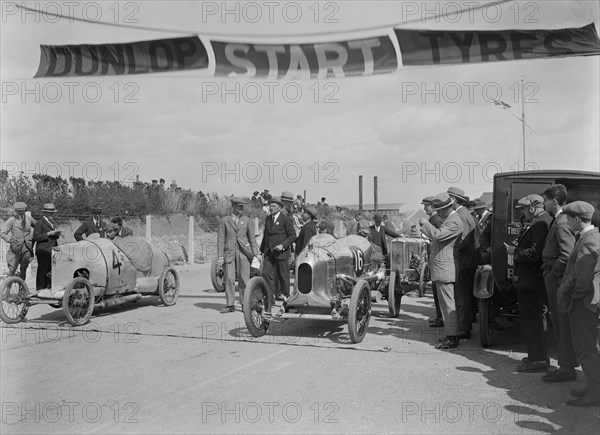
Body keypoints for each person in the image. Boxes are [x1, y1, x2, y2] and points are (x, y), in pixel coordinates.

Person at [557, 201, 599, 407]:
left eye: (568, 217)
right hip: (586, 301)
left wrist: (573, 294)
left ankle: (596, 392)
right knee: (586, 346)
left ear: (576, 219)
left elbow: (583, 277)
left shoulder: (588, 240)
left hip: (584, 303)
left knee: (585, 347)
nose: (565, 221)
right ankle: (592, 385)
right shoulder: (589, 237)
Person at [507, 194, 552, 372]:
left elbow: (535, 254)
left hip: (531, 281)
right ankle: (536, 356)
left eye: (524, 209)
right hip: (533, 280)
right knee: (534, 319)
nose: (523, 213)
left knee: (533, 320)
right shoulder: (541, 221)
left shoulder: (541, 223)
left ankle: (538, 360)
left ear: (533, 208)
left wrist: (514, 251)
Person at [541, 184, 577, 383]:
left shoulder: (562, 222)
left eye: (545, 200)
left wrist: (552, 273)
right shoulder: (561, 220)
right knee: (561, 323)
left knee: (562, 323)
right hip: (555, 278)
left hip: (557, 280)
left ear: (553, 201)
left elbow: (566, 255)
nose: (543, 204)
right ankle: (566, 365)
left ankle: (566, 368)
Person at [419, 193, 463, 349]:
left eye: (439, 210)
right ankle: (450, 336)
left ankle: (452, 338)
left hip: (445, 268)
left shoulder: (454, 222)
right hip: (443, 268)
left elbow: (437, 235)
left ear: (446, 208)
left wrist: (426, 224)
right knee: (446, 305)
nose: (437, 213)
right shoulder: (450, 219)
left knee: (448, 305)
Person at [447, 187, 480, 338]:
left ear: (453, 200)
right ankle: (464, 325)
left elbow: (464, 241)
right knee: (464, 295)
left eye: (448, 199)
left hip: (463, 262)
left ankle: (463, 329)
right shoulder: (465, 213)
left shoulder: (461, 215)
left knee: (462, 296)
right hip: (467, 260)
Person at [217, 197, 260, 313]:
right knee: (229, 278)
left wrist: (256, 254)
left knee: (244, 279)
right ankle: (230, 304)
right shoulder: (224, 220)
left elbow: (252, 239)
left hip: (243, 253)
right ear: (233, 206)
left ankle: (244, 304)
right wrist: (220, 256)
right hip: (229, 253)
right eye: (239, 206)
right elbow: (220, 240)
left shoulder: (247, 220)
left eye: (243, 206)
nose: (242, 209)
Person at [260, 197, 296, 304]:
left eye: (273, 206)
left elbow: (293, 235)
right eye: (270, 206)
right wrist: (261, 251)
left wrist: (282, 245)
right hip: (269, 252)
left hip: (281, 253)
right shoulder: (268, 219)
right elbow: (266, 235)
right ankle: (269, 299)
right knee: (266, 274)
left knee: (283, 276)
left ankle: (287, 301)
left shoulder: (285, 219)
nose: (271, 208)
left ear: (280, 208)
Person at [421, 196, 444, 328]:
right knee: (435, 289)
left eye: (426, 206)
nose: (424, 208)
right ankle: (439, 316)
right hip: (433, 256)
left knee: (438, 289)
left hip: (437, 257)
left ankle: (441, 317)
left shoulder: (436, 220)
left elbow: (440, 237)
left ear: (433, 206)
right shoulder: (433, 219)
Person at [1, 202, 36, 280]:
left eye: (22, 211)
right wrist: (10, 240)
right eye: (19, 211)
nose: (21, 213)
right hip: (15, 248)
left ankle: (22, 290)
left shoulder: (29, 219)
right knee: (12, 269)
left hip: (26, 248)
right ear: (15, 211)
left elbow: (37, 227)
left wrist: (32, 237)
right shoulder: (12, 220)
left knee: (23, 269)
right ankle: (7, 289)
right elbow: (3, 233)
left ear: (24, 210)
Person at [33, 203, 61, 290]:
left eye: (52, 213)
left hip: (51, 251)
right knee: (42, 271)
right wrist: (48, 234)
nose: (51, 214)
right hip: (43, 250)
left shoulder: (51, 223)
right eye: (50, 213)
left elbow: (52, 237)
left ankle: (48, 289)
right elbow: (36, 237)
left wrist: (56, 234)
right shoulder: (39, 223)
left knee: (49, 271)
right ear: (45, 213)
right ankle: (40, 289)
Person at [471, 198, 492, 264]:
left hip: (486, 249)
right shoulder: (478, 218)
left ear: (482, 208)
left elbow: (487, 234)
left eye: (476, 209)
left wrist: (487, 247)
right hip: (480, 249)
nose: (475, 211)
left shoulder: (490, 217)